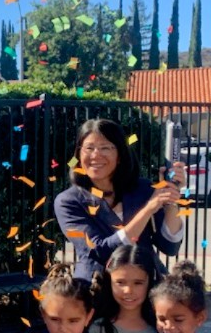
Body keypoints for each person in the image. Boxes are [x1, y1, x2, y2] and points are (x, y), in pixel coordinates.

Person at [54, 118, 185, 283]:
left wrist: (171, 197)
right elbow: (100, 251)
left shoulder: (143, 189)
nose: (96, 155)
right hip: (97, 289)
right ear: (79, 155)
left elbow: (169, 246)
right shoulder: (69, 201)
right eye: (89, 148)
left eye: (105, 148)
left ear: (120, 156)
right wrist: (148, 209)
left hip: (147, 288)